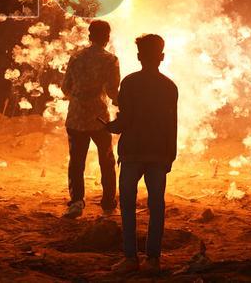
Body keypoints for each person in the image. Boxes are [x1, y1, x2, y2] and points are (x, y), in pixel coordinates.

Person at [106, 34, 178, 275]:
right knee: (156, 206)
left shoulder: (130, 83)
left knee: (127, 204)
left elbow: (125, 119)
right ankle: (153, 259)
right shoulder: (169, 87)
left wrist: (111, 127)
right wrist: (171, 156)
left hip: (133, 153)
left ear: (138, 57)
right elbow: (172, 123)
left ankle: (130, 258)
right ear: (162, 57)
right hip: (159, 153)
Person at [61, 20, 120, 219]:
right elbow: (113, 92)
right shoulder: (110, 60)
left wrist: (80, 98)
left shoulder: (76, 57)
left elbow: (65, 87)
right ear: (107, 37)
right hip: (99, 119)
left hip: (76, 117)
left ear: (89, 36)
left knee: (76, 161)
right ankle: (109, 201)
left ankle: (77, 201)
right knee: (106, 159)